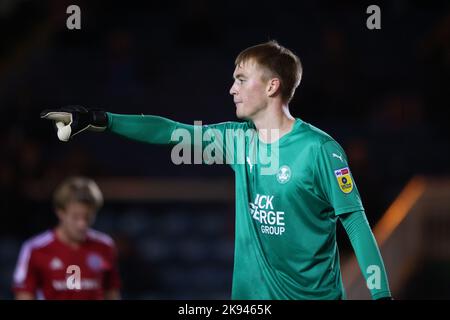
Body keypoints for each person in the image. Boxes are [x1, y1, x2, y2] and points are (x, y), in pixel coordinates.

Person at [40, 40, 391, 300]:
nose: (231, 89)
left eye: (241, 79)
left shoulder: (319, 149)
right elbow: (167, 131)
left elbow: (356, 224)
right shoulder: (236, 139)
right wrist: (100, 120)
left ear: (272, 86)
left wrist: (381, 296)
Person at [13, 176, 121, 299]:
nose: (82, 224)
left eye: (87, 217)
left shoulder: (105, 246)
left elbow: (112, 294)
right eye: (75, 217)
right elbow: (24, 295)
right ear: (60, 212)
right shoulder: (35, 248)